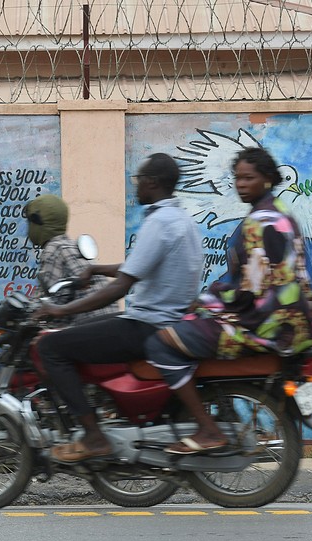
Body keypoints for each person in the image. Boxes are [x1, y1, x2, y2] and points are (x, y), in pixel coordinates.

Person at [145, 147, 312, 454]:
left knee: (162, 342)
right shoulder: (280, 213)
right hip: (296, 322)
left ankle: (207, 428)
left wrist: (205, 301)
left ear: (267, 179)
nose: (240, 184)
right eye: (237, 178)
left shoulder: (259, 223)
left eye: (248, 178)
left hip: (264, 324)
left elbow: (249, 290)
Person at [33, 153, 203, 462]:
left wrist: (60, 312)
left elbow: (121, 286)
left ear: (152, 183)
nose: (136, 187)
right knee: (84, 333)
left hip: (147, 324)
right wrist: (95, 269)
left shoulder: (159, 222)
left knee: (51, 347)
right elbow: (138, 267)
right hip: (169, 319)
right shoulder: (182, 220)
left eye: (138, 180)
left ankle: (94, 437)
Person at [0, 195, 117, 386]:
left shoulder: (53, 250)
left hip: (78, 337)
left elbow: (42, 308)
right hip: (100, 333)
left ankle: (0, 414)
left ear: (39, 224)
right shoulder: (71, 247)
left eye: (29, 223)